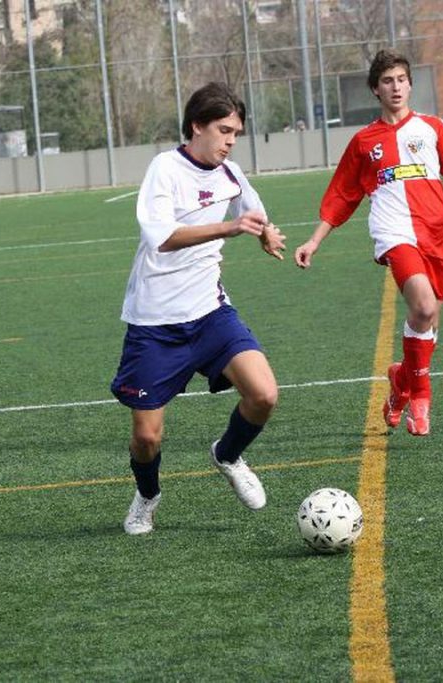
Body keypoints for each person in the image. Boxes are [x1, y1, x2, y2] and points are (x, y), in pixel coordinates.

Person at [110, 81, 286, 535]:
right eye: (223, 131)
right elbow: (163, 238)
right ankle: (147, 495)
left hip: (210, 313)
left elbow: (255, 209)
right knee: (147, 438)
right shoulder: (165, 169)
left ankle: (227, 454)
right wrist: (228, 228)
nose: (230, 141)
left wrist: (266, 232)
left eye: (235, 134)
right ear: (197, 127)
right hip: (155, 323)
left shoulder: (232, 173)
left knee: (264, 394)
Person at [294, 49, 443, 437]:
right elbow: (342, 195)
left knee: (429, 319)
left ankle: (401, 381)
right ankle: (421, 396)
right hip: (394, 231)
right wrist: (314, 241)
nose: (396, 87)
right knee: (421, 305)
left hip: (437, 231)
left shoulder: (433, 128)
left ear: (410, 85)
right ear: (375, 89)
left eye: (401, 79)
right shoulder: (364, 142)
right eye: (387, 81)